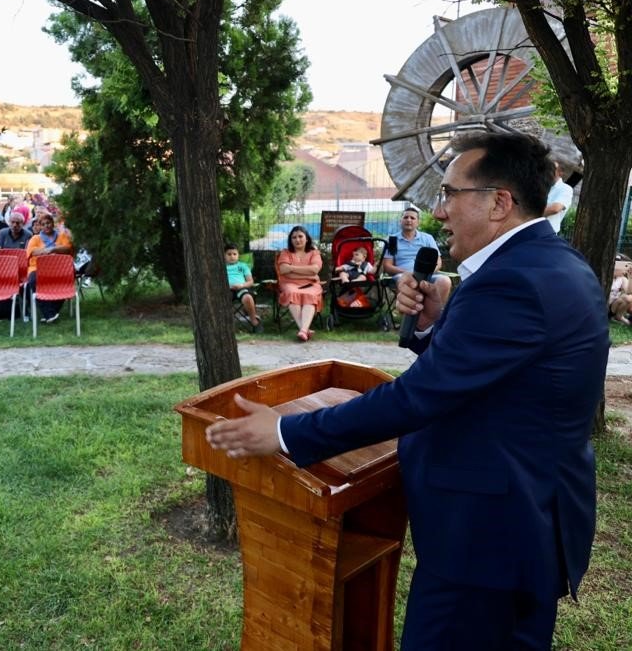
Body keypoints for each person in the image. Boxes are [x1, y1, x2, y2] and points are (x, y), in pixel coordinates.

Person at [205, 132, 609, 650]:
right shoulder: (554, 262)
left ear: (499, 203)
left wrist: (283, 431)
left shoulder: (513, 282)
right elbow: (495, 378)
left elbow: (416, 397)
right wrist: (433, 325)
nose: (439, 212)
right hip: (524, 523)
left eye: (449, 194)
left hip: (488, 541)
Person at [383, 206, 452, 306]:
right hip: (402, 275)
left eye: (412, 218)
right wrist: (409, 273)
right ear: (400, 221)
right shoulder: (392, 240)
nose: (409, 220)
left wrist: (424, 273)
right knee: (405, 280)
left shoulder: (428, 238)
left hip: (426, 274)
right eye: (405, 217)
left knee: (445, 281)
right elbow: (387, 267)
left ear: (417, 222)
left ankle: (435, 317)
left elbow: (438, 262)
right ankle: (408, 318)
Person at [25, 212, 74, 323]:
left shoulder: (62, 236)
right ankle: (49, 313)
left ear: (53, 224)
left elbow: (67, 249)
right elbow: (33, 252)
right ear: (40, 226)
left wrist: (52, 250)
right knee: (33, 281)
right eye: (43, 224)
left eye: (48, 223)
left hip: (59, 269)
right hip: (37, 268)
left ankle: (51, 313)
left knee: (66, 281)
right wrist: (53, 250)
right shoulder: (35, 238)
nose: (46, 225)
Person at [276, 226, 322, 342]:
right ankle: (304, 329)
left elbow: (315, 269)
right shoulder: (285, 253)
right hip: (289, 283)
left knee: (310, 295)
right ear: (291, 240)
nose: (297, 240)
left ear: (307, 238)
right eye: (294, 237)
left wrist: (291, 269)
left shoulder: (314, 253)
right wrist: (308, 274)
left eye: (300, 236)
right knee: (292, 293)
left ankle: (303, 330)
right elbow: (283, 270)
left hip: (310, 284)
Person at [225, 243, 262, 333]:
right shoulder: (221, 266)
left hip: (241, 288)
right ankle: (225, 325)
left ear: (238, 255)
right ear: (224, 256)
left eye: (234, 254)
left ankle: (254, 322)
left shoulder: (243, 266)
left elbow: (250, 282)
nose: (232, 256)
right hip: (226, 290)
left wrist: (241, 285)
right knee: (220, 299)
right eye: (229, 254)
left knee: (248, 298)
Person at [545, 161, 574, 234]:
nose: (547, 171)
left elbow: (555, 209)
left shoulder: (566, 188)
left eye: (551, 169)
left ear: (560, 173)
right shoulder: (542, 185)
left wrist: (530, 214)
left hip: (546, 234)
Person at [608, 259, 632, 325]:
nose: (624, 271)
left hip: (613, 305)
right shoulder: (606, 276)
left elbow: (629, 292)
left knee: (629, 297)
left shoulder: (622, 278)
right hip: (605, 305)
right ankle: (617, 317)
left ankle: (618, 316)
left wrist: (630, 277)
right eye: (623, 268)